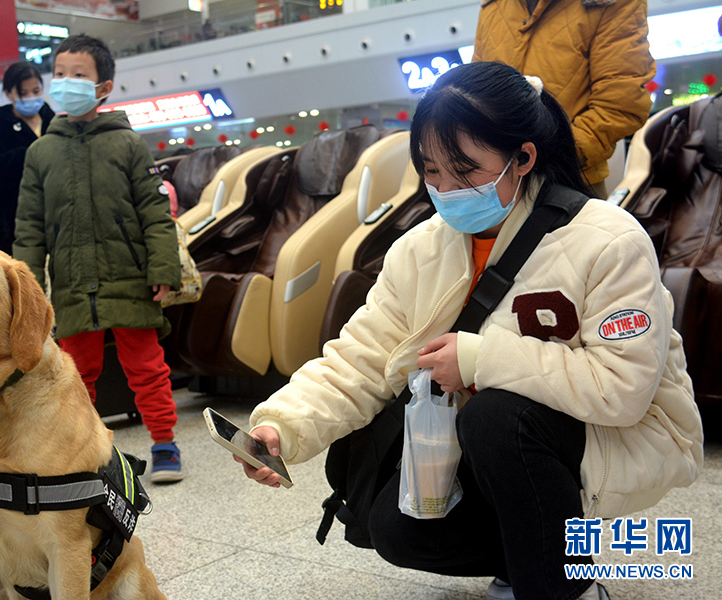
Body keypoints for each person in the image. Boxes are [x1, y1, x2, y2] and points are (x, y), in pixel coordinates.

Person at [239, 62, 703, 600]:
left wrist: (482, 360)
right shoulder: (419, 249)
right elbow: (361, 356)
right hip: (482, 444)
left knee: (498, 417)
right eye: (431, 172)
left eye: (466, 172)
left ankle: (563, 588)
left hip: (616, 434)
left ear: (523, 157)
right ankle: (527, 554)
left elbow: (623, 390)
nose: (446, 190)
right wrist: (282, 426)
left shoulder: (607, 240)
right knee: (395, 529)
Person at [14, 35, 185, 483]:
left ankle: (165, 442)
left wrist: (163, 269)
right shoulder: (40, 152)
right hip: (71, 282)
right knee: (73, 373)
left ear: (103, 87)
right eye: (60, 73)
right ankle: (86, 448)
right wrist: (26, 289)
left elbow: (154, 212)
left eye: (79, 75)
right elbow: (29, 226)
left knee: (146, 367)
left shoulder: (128, 145)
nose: (66, 82)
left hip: (128, 277)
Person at [472, 0, 655, 198]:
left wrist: (549, 158)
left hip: (567, 185)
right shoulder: (494, 5)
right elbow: (476, 91)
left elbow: (620, 104)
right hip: (493, 186)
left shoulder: (611, 3)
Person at [0, 61, 55, 254]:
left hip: (51, 213)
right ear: (10, 94)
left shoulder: (52, 120)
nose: (31, 98)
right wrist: (28, 154)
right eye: (23, 93)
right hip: (9, 221)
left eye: (36, 91)